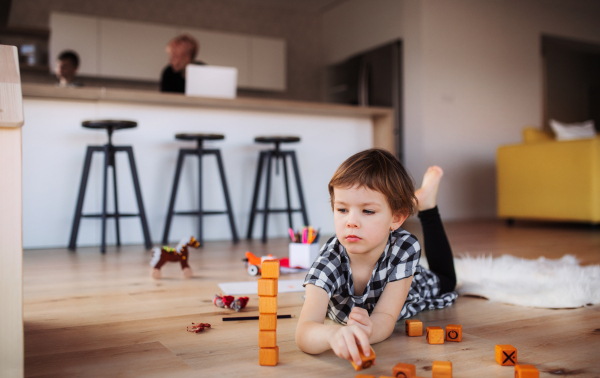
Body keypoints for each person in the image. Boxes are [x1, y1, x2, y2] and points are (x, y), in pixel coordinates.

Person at [295, 148, 458, 368]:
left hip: (405, 286)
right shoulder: (328, 260)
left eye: (368, 211)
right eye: (342, 209)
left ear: (396, 217)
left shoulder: (404, 247)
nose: (351, 222)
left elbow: (386, 316)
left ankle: (426, 205)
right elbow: (305, 331)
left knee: (447, 282)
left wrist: (369, 331)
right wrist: (332, 335)